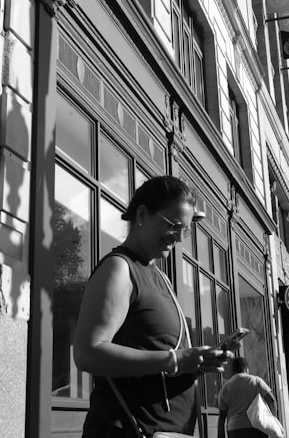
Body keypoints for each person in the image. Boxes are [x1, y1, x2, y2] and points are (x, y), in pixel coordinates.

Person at [75, 176, 232, 437]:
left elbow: (160, 353)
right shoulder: (119, 268)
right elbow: (87, 353)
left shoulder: (161, 278)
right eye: (172, 225)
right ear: (142, 215)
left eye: (185, 230)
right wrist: (174, 360)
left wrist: (197, 361)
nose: (179, 238)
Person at [216, 356, 277, 438]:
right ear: (247, 369)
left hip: (235, 429)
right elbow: (271, 400)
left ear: (233, 371)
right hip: (256, 426)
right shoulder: (256, 381)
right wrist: (274, 420)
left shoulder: (225, 388)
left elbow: (222, 416)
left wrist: (221, 435)